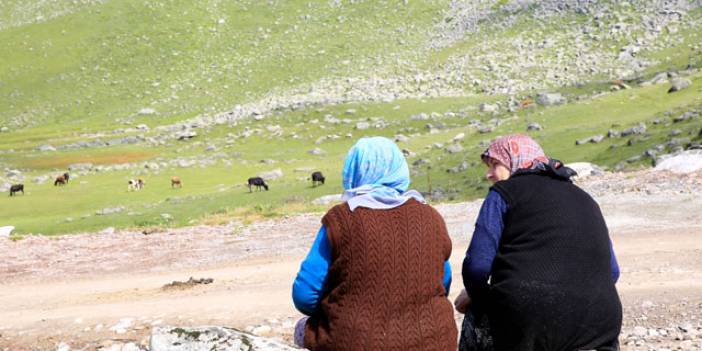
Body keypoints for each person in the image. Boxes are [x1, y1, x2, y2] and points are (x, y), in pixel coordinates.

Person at [455, 134, 622, 351]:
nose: (489, 174)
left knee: (476, 314)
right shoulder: (584, 197)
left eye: (495, 164)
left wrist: (481, 297)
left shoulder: (503, 193)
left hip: (530, 320)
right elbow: (612, 272)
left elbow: (476, 266)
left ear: (514, 160)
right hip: (600, 323)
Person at [292, 136, 457, 351]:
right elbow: (442, 282)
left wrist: (339, 308)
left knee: (301, 329)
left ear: (354, 171)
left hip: (356, 343)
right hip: (435, 342)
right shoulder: (430, 216)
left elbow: (305, 295)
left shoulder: (342, 219)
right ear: (399, 170)